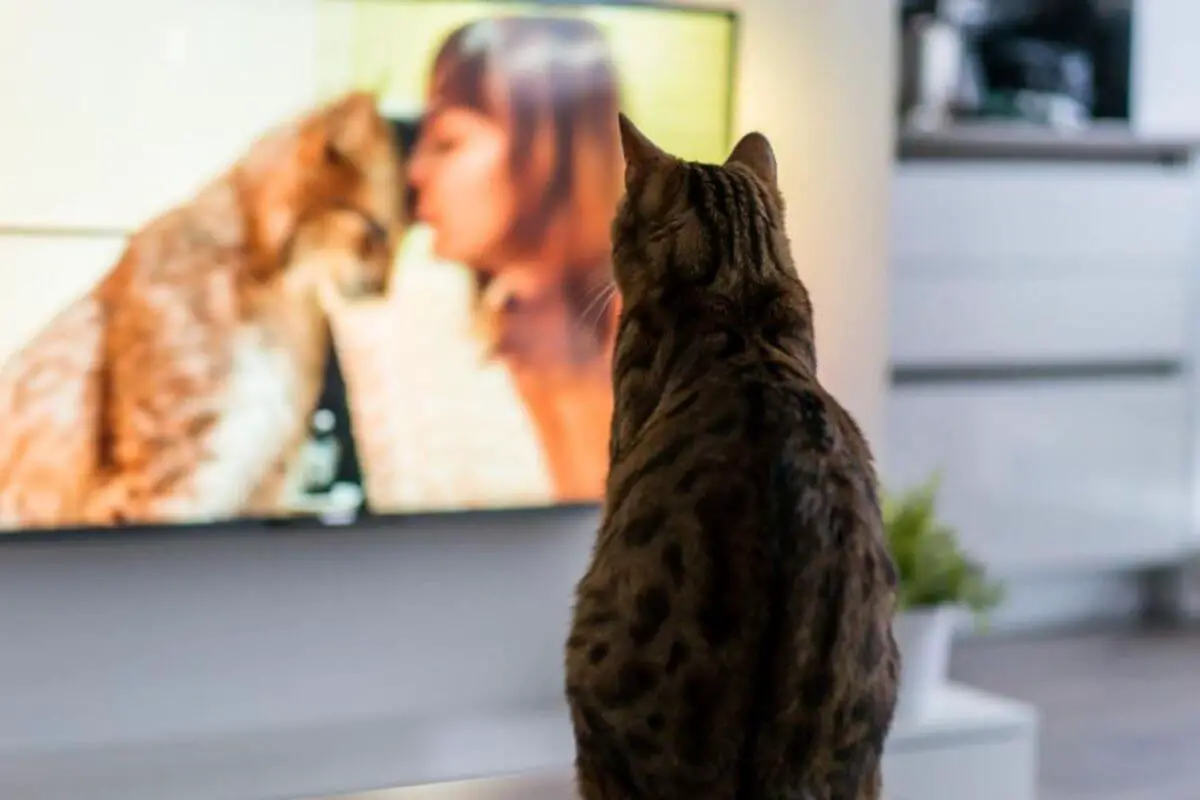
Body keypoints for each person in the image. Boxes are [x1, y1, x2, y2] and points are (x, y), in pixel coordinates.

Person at [328, 15, 624, 511]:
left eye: (447, 142)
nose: (416, 170)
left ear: (550, 154)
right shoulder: (398, 330)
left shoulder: (683, 344)